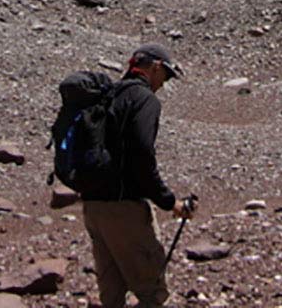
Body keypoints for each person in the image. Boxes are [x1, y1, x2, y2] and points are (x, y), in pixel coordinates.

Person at [81, 43, 196, 308]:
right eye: (165, 76)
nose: (163, 84)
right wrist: (169, 202)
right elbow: (142, 154)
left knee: (112, 296)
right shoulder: (143, 99)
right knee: (152, 292)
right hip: (125, 209)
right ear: (155, 67)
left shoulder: (106, 96)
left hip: (93, 207)